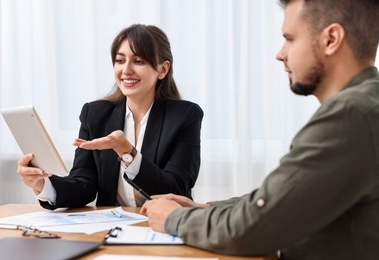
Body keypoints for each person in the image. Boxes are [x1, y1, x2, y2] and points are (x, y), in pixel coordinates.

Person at [140, 0, 379, 259]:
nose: (280, 53)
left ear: (331, 39)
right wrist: (202, 207)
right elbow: (283, 201)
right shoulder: (366, 105)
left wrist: (174, 218)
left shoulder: (349, 116)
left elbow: (250, 229)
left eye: (290, 38)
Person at [17, 24, 203, 210]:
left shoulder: (185, 116)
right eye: (120, 60)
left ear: (162, 69)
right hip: (112, 228)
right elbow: (84, 184)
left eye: (138, 61)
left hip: (161, 227)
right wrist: (41, 183)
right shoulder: (95, 114)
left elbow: (175, 189)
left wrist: (126, 151)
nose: (126, 70)